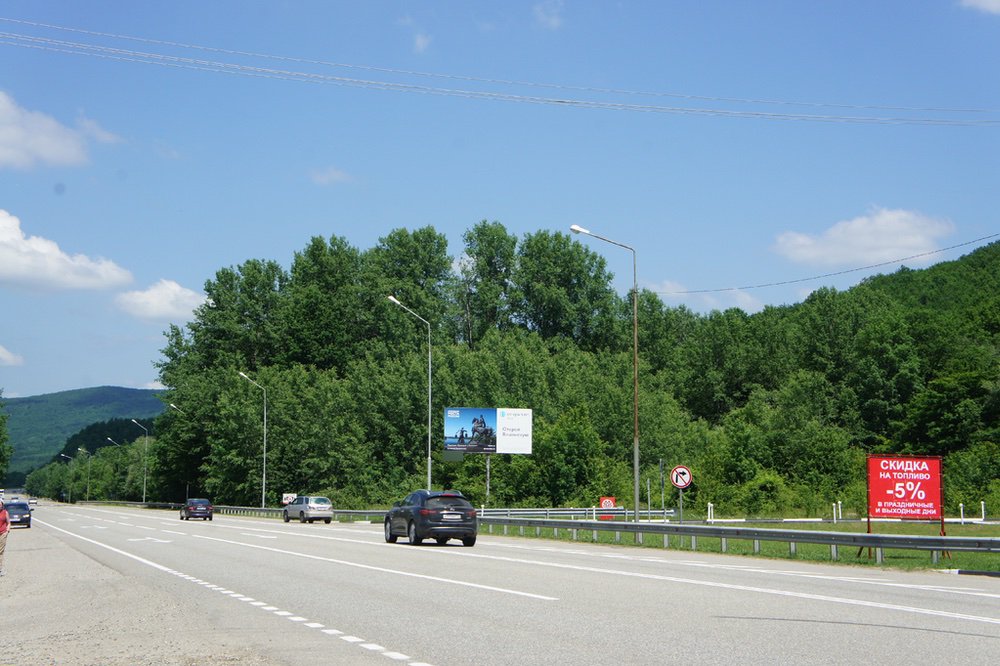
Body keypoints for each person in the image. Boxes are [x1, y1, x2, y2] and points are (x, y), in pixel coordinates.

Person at [0, 499, 9, 577]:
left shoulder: (5, 512)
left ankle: (0, 569)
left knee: (0, 551)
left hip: (2, 533)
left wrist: (7, 530)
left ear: (2, 504)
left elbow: (8, 522)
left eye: (0, 503)